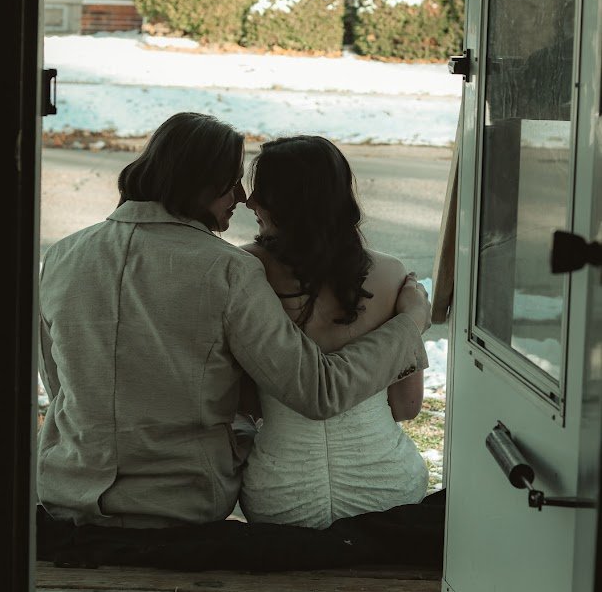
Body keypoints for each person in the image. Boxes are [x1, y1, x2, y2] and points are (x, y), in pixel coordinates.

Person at [37, 112, 431, 530]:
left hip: (68, 493)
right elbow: (318, 392)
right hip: (181, 503)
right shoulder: (227, 269)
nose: (242, 197)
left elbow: (60, 383)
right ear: (201, 184)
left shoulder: (62, 255)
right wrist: (410, 324)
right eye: (233, 182)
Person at [239, 135, 429, 529]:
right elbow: (406, 407)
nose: (249, 200)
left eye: (263, 191)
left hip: (281, 500)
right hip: (387, 493)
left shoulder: (242, 271)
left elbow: (239, 400)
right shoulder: (393, 276)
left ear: (291, 201)